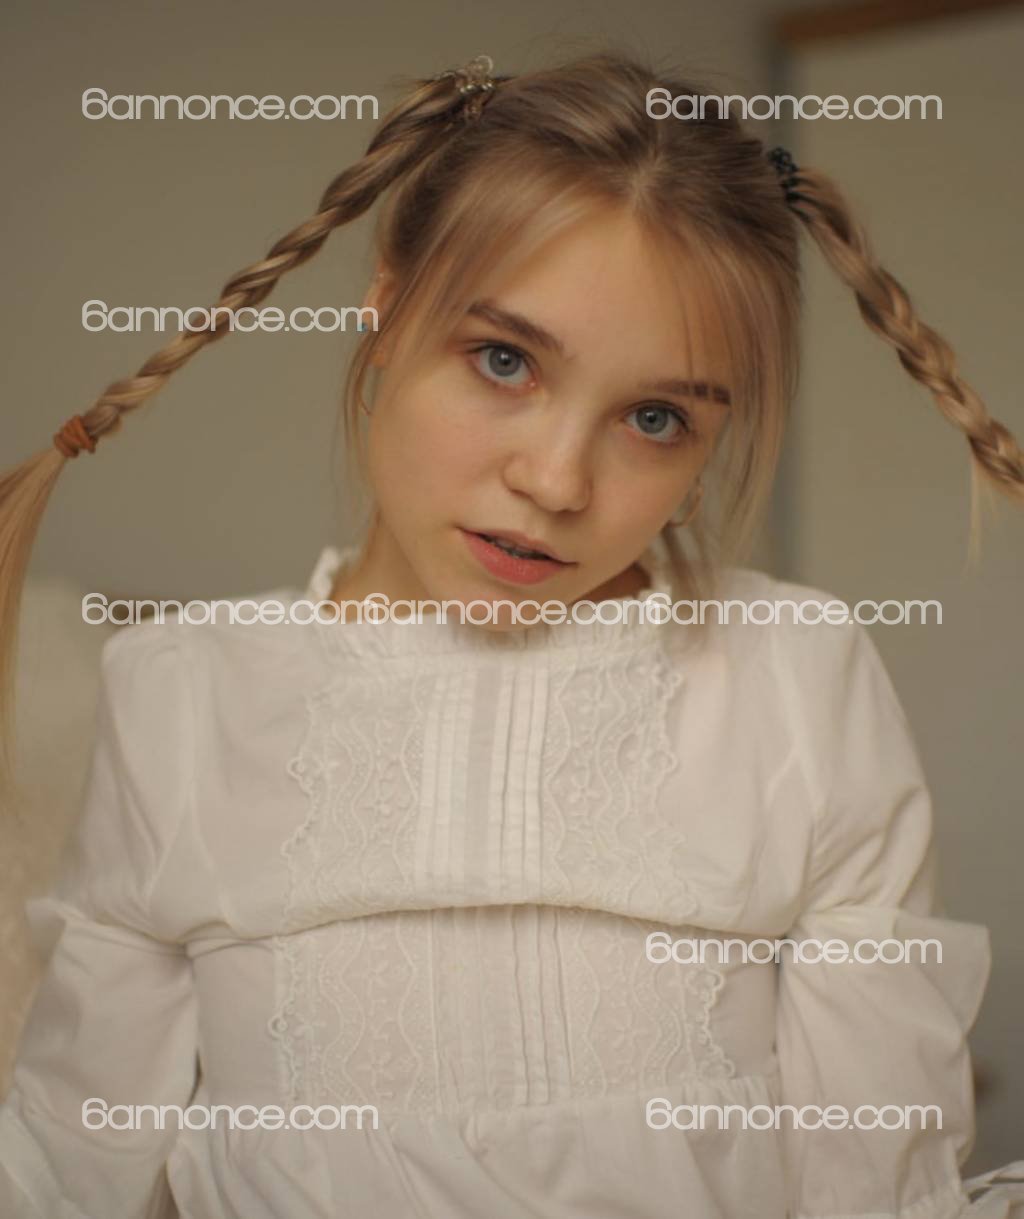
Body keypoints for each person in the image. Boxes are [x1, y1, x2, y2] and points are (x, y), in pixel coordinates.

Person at [0, 51, 1022, 1219]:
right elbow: (71, 1161)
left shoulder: (794, 673)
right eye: (504, 360)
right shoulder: (183, 693)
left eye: (655, 417)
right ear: (386, 311)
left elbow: (879, 1182)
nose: (556, 481)